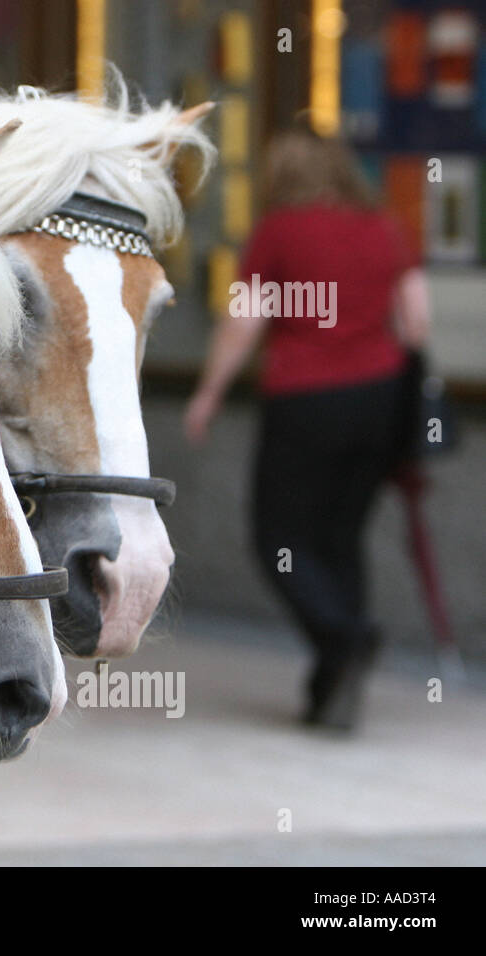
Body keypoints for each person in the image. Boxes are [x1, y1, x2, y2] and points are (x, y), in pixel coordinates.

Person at [184, 126, 431, 730]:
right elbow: (417, 321)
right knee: (340, 539)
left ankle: (345, 636)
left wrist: (210, 392)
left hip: (305, 401)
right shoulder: (382, 230)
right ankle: (330, 687)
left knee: (280, 539)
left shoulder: (281, 231)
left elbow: (245, 320)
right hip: (380, 399)